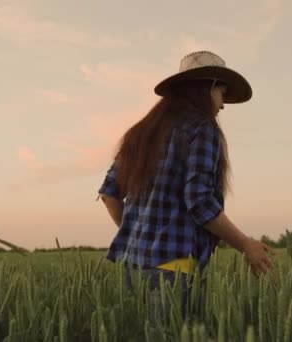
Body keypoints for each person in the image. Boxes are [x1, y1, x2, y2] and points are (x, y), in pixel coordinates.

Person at [97, 50, 275, 323]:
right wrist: (245, 244)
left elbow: (109, 194)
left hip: (130, 267)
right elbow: (199, 202)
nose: (223, 105)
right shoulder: (202, 127)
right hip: (174, 268)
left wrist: (141, 235)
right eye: (222, 94)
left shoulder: (140, 132)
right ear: (208, 87)